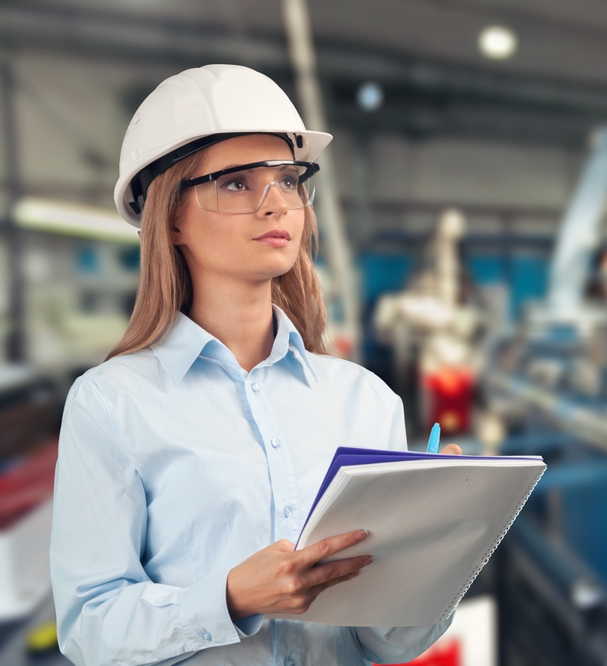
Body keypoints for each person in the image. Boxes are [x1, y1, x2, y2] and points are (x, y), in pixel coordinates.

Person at [50, 64, 459, 666]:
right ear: (170, 217)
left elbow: (386, 643)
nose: (276, 205)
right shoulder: (112, 404)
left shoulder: (365, 400)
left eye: (289, 181)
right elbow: (89, 627)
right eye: (237, 183)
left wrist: (431, 551)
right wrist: (230, 598)